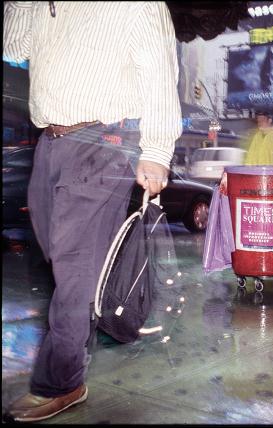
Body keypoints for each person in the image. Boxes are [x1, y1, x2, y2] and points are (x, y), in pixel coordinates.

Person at [3, 2, 182, 422]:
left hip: (104, 142)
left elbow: (159, 70)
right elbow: (12, 45)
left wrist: (157, 151)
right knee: (62, 260)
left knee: (73, 264)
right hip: (49, 142)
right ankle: (88, 322)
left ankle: (61, 381)